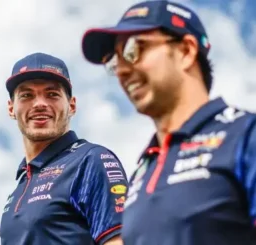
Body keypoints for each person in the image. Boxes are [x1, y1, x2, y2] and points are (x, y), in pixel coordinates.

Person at [81, 0, 256, 244]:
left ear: (186, 51)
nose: (121, 70)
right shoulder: (143, 170)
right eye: (115, 61)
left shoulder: (245, 135)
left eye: (134, 49)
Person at [0, 52, 128, 245]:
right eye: (27, 95)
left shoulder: (91, 160)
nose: (40, 104)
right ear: (11, 109)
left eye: (52, 94)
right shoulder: (20, 186)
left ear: (72, 105)